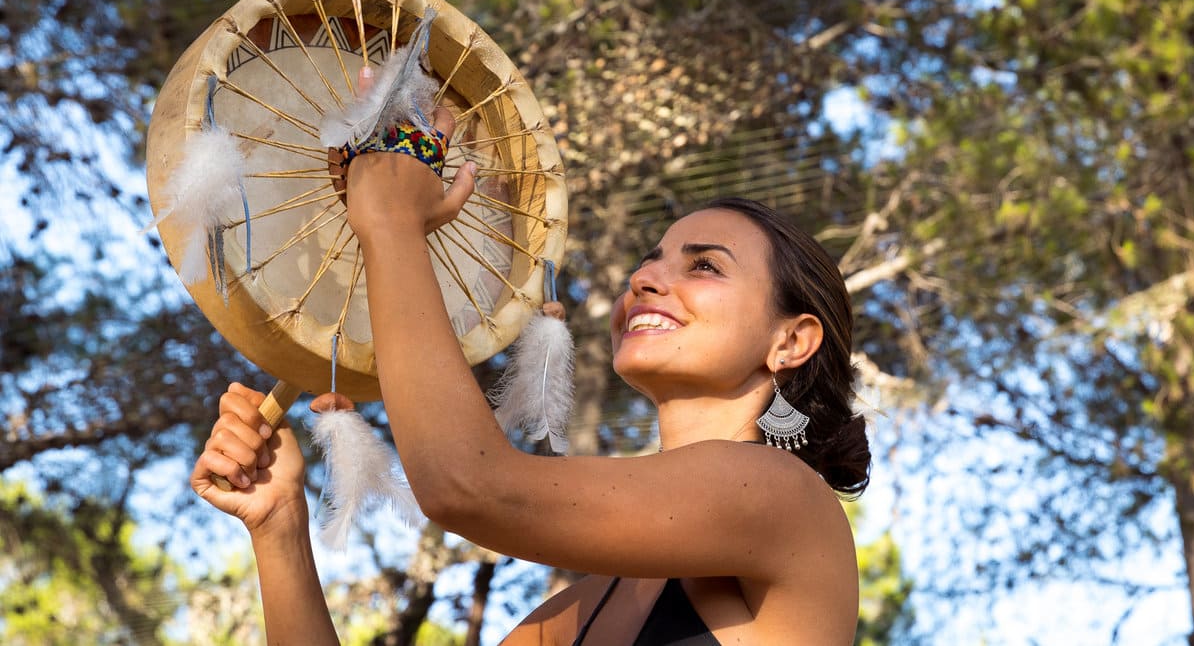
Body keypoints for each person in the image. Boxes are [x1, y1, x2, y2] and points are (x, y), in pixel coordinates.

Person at [191, 109, 871, 645]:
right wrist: (280, 527)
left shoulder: (784, 501)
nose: (644, 279)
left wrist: (392, 222)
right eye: (651, 260)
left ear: (791, 340)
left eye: (704, 266)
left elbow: (470, 487)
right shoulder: (581, 606)